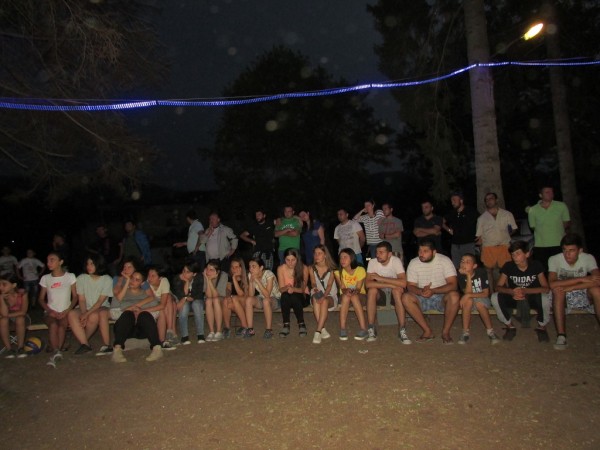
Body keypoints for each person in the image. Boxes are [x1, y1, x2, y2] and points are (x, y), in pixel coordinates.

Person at [401, 239, 460, 343]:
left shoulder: (444, 261)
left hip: (441, 296)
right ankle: (427, 331)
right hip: (421, 296)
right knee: (406, 297)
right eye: (420, 251)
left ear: (434, 252)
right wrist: (421, 291)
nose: (421, 254)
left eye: (425, 251)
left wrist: (434, 290)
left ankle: (446, 332)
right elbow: (410, 286)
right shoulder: (414, 262)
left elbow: (453, 285)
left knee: (454, 296)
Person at [491, 240, 551, 342]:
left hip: (532, 297)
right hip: (514, 297)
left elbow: (546, 288)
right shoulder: (508, 266)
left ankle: (542, 326)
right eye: (513, 254)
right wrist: (511, 291)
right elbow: (498, 287)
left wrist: (525, 290)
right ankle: (509, 325)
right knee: (495, 297)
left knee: (545, 297)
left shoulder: (536, 265)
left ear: (527, 254)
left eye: (518, 253)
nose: (514, 257)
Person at [548, 233, 600, 350]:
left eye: (571, 250)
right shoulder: (554, 259)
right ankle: (561, 336)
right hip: (563, 294)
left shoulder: (588, 258)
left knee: (596, 290)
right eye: (564, 250)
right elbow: (552, 284)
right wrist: (581, 279)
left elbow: (597, 281)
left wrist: (571, 287)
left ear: (580, 250)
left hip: (581, 292)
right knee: (558, 291)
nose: (567, 254)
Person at [110, 270, 164, 363]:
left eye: (137, 280)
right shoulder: (121, 293)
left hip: (142, 328)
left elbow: (156, 309)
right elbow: (113, 313)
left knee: (144, 314)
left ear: (142, 283)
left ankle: (157, 348)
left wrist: (140, 310)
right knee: (128, 314)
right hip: (126, 328)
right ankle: (117, 350)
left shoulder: (146, 294)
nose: (133, 281)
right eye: (132, 278)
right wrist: (130, 309)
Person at [68, 254, 113, 356]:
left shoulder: (107, 279)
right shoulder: (81, 278)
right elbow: (82, 299)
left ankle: (83, 340)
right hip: (84, 307)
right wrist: (84, 313)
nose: (89, 266)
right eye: (87, 264)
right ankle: (85, 344)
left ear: (99, 264)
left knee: (93, 316)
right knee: (71, 314)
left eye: (92, 264)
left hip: (101, 307)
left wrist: (86, 315)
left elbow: (100, 302)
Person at [365, 241, 408, 343]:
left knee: (397, 291)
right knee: (372, 291)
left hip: (394, 291)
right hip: (382, 292)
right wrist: (390, 284)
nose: (377, 255)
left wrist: (381, 278)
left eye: (381, 252)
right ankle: (371, 327)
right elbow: (368, 284)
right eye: (377, 252)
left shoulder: (395, 261)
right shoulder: (372, 262)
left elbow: (403, 283)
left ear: (389, 254)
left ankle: (402, 328)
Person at [475, 192, 518, 292]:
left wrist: (506, 233)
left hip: (504, 246)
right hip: (488, 247)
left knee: (506, 270)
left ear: (496, 200)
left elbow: (514, 229)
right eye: (487, 200)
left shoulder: (507, 214)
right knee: (488, 271)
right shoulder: (482, 218)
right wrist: (480, 247)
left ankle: (509, 292)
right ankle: (491, 292)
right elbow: (478, 236)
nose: (489, 201)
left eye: (491, 198)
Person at [38, 252, 77, 357]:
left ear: (61, 262)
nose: (48, 263)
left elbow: (75, 297)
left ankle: (56, 350)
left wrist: (67, 311)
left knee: (61, 327)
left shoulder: (70, 276)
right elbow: (41, 299)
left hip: (65, 311)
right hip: (50, 311)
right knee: (53, 325)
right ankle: (56, 350)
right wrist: (49, 311)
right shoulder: (45, 278)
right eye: (47, 260)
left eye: (52, 260)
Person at [456, 253, 500, 344]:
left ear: (474, 266)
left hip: (482, 298)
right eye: (462, 261)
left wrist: (467, 295)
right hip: (470, 300)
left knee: (479, 303)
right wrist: (468, 276)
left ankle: (490, 331)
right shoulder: (460, 275)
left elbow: (485, 293)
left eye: (467, 262)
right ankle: (465, 332)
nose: (463, 264)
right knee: (468, 301)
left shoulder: (481, 272)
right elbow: (467, 293)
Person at [528, 186, 571, 273]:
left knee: (561, 269)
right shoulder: (533, 210)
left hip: (559, 244)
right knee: (544, 270)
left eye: (551, 192)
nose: (550, 194)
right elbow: (533, 226)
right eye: (547, 192)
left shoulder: (561, 206)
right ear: (540, 195)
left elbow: (566, 222)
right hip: (541, 246)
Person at [334, 248, 368, 340]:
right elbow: (342, 287)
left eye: (345, 257)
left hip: (360, 296)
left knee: (354, 297)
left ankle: (363, 329)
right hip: (345, 296)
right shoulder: (338, 272)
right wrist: (346, 291)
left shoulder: (360, 270)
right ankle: (342, 328)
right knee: (346, 297)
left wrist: (352, 292)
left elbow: (358, 288)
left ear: (352, 258)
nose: (342, 260)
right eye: (341, 257)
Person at [244, 257, 281, 339]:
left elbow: (267, 295)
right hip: (262, 298)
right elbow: (251, 295)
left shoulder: (269, 274)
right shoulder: (250, 275)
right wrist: (251, 282)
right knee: (248, 300)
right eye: (250, 266)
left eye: (254, 266)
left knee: (266, 301)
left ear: (261, 267)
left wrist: (257, 281)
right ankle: (250, 329)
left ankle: (269, 330)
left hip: (276, 298)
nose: (251, 269)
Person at [277, 248, 309, 337]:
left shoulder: (304, 268)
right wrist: (287, 287)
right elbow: (281, 289)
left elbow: (303, 289)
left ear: (297, 259)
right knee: (285, 295)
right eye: (288, 260)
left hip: (303, 296)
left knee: (294, 296)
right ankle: (286, 324)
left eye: (293, 260)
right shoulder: (281, 268)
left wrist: (293, 289)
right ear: (284, 259)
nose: (290, 263)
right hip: (287, 297)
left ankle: (301, 323)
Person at [172, 261, 205, 345]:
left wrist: (186, 297)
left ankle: (200, 334)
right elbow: (180, 295)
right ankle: (184, 336)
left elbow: (198, 294)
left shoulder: (199, 278)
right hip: (183, 300)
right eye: (183, 271)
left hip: (196, 299)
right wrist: (186, 282)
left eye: (188, 272)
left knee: (196, 305)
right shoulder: (177, 279)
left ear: (194, 274)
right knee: (184, 307)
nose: (184, 273)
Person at [308, 245, 337, 344]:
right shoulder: (311, 268)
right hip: (317, 292)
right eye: (315, 253)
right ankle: (322, 329)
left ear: (325, 255)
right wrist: (316, 290)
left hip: (330, 294)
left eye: (319, 253)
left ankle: (318, 331)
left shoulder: (332, 269)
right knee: (316, 298)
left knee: (324, 301)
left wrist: (324, 296)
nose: (316, 256)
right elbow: (313, 282)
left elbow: (329, 285)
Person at [443, 192, 479, 268]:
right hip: (455, 245)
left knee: (469, 267)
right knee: (456, 267)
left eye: (454, 200)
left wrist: (480, 234)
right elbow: (441, 222)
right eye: (451, 201)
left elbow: (481, 221)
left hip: (468, 244)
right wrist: (449, 230)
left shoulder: (470, 211)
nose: (452, 203)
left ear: (461, 200)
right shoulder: (452, 213)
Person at [147, 266, 177, 350]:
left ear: (160, 277)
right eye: (149, 275)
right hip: (157, 304)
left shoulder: (164, 281)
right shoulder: (146, 284)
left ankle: (169, 332)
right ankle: (168, 337)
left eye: (153, 276)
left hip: (168, 300)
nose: (149, 278)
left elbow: (165, 301)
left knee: (169, 300)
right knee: (164, 308)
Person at [0, 274, 29, 358]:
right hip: (6, 318)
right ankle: (9, 349)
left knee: (20, 318)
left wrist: (7, 315)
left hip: (22, 317)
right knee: (3, 321)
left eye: (4, 284)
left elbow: (23, 312)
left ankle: (20, 347)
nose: (1, 287)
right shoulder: (1, 295)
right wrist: (1, 298)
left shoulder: (22, 293)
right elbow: (4, 313)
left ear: (14, 285)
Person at [223, 256, 249, 337]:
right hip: (235, 302)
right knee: (226, 300)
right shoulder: (229, 276)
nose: (234, 269)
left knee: (234, 298)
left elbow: (242, 294)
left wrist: (234, 279)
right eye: (232, 267)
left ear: (241, 268)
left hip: (247, 302)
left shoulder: (246, 276)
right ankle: (227, 327)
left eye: (236, 267)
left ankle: (244, 326)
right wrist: (228, 297)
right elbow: (228, 290)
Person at [203, 259, 228, 342]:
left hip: (221, 298)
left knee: (216, 300)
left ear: (217, 271)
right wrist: (208, 280)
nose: (208, 271)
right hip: (211, 298)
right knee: (208, 301)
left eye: (211, 270)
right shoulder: (205, 275)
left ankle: (219, 331)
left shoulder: (223, 275)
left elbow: (217, 295)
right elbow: (209, 295)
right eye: (207, 269)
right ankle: (211, 331)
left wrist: (209, 280)